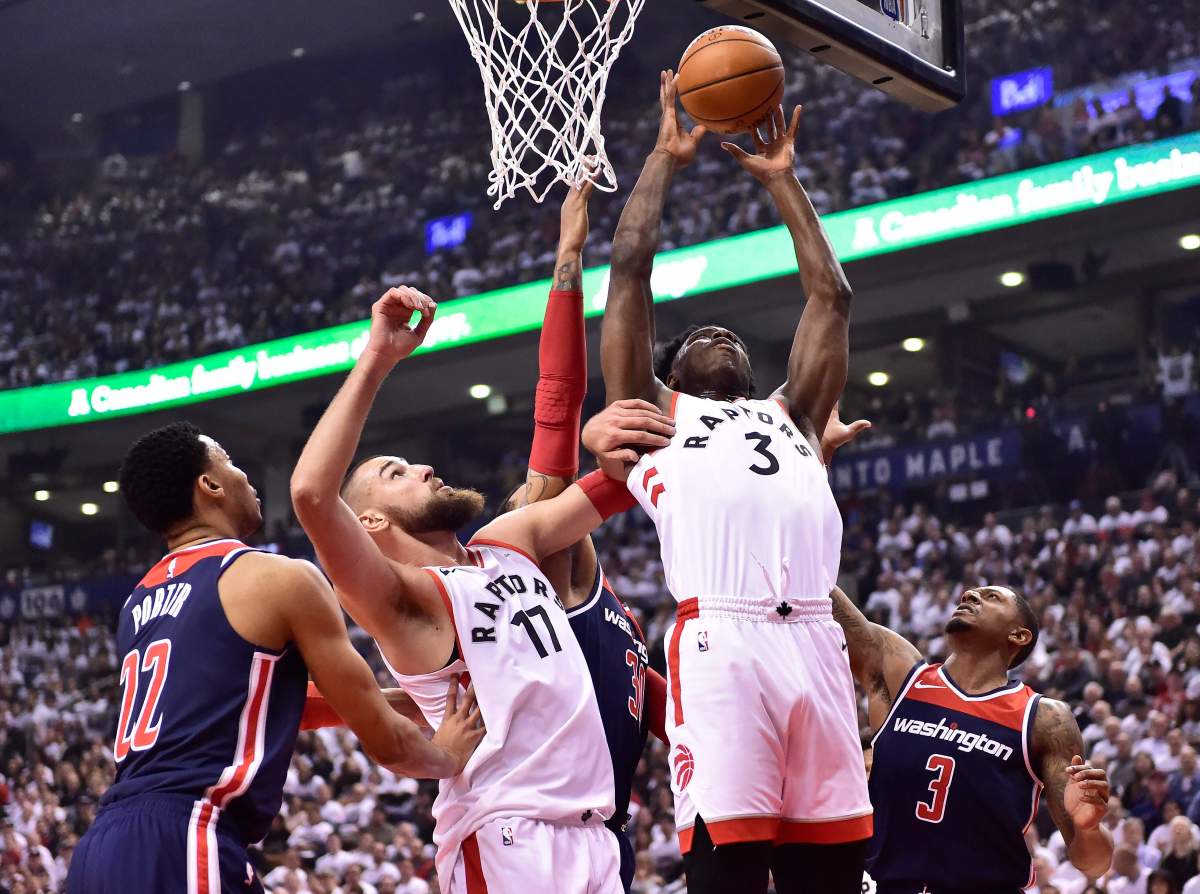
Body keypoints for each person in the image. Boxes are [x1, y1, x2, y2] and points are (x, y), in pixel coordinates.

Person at [290, 285, 675, 893]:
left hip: (596, 835)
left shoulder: (506, 543)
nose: (424, 468)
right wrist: (379, 356)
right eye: (396, 474)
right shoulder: (407, 601)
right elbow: (312, 495)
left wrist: (606, 439)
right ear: (370, 524)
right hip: (508, 837)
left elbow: (614, 478)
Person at [598, 69, 869, 894]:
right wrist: (663, 159)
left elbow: (832, 294)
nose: (719, 332)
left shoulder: (792, 415)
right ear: (669, 368)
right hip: (722, 638)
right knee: (734, 866)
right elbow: (630, 272)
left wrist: (783, 181)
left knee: (837, 866)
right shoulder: (651, 412)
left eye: (731, 335)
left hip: (817, 638)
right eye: (699, 335)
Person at [67, 422, 484, 894]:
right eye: (231, 463)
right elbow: (388, 746)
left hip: (102, 848)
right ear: (211, 485)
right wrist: (448, 756)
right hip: (187, 836)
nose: (246, 477)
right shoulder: (278, 576)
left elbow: (247, 703)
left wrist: (398, 701)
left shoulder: (136, 603)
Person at [494, 180, 672, 891]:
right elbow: (557, 413)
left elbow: (656, 705)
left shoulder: (611, 611)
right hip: (541, 836)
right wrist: (568, 259)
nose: (540, 494)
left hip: (603, 835)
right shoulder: (539, 557)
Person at [831, 579, 1114, 893]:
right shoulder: (903, 677)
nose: (969, 594)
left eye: (991, 597)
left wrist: (1088, 828)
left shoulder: (1043, 718)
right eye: (969, 593)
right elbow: (820, 591)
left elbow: (1094, 863)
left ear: (1018, 635)